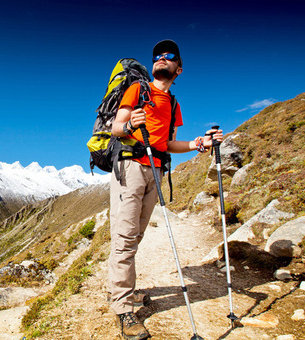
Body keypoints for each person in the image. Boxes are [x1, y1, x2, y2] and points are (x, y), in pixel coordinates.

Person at [107, 39, 223, 339]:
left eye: (168, 56)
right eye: (158, 55)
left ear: (178, 69)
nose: (161, 58)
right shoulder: (137, 89)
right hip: (131, 167)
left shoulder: (173, 104)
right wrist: (130, 123)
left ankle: (124, 292)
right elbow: (115, 128)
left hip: (156, 170)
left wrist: (198, 144)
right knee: (123, 237)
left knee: (136, 235)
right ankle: (122, 308)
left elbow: (169, 143)